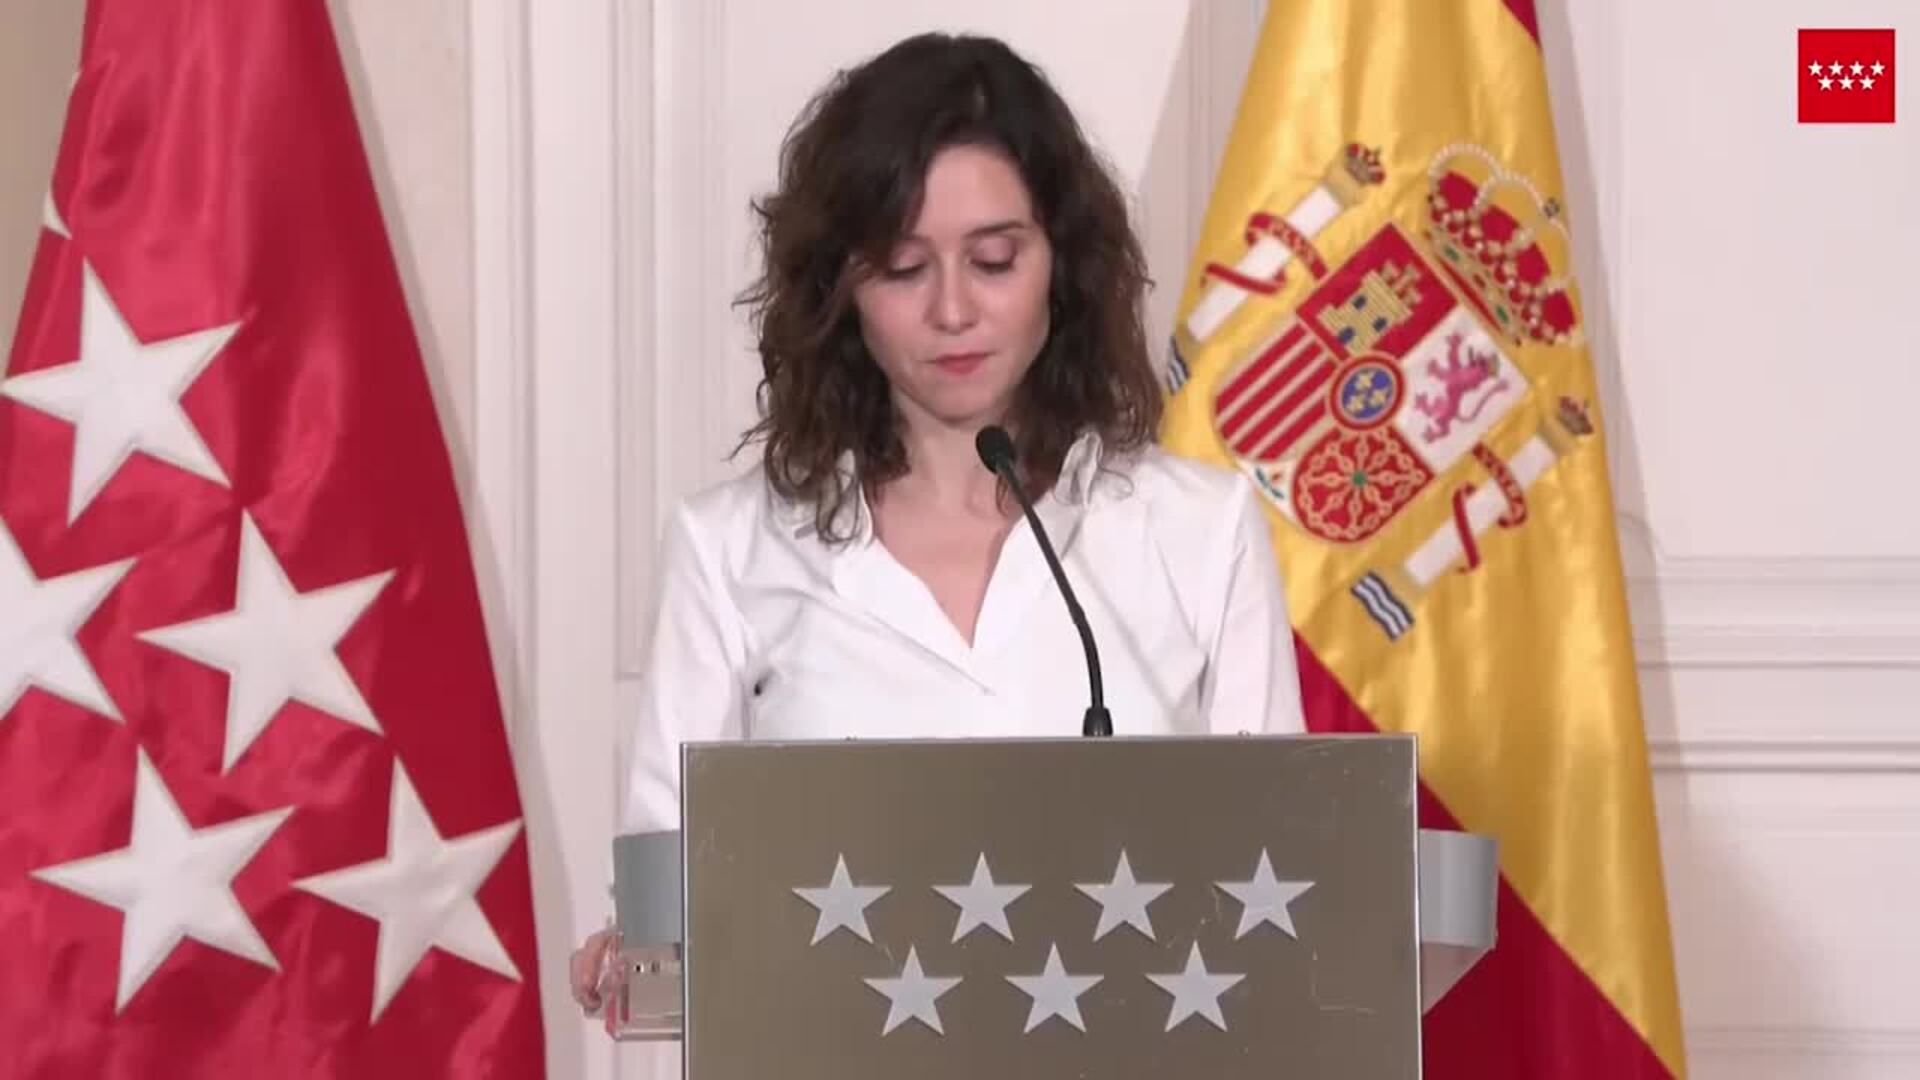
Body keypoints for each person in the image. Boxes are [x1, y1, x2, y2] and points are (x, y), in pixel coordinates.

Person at [568, 30, 1307, 1020]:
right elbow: (667, 903)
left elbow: (1287, 887)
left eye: (994, 259)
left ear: (1063, 264)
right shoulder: (730, 551)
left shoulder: (1199, 531)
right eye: (904, 269)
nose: (954, 310)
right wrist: (637, 949)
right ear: (840, 291)